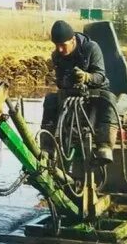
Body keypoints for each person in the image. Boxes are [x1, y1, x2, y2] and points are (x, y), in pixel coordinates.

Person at [41, 20, 117, 163]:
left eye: (63, 45)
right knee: (50, 100)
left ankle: (104, 146)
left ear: (73, 40)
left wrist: (87, 77)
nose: (60, 50)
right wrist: (65, 81)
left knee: (109, 99)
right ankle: (47, 147)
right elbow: (60, 82)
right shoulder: (57, 55)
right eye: (57, 46)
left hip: (95, 92)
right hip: (71, 94)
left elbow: (100, 76)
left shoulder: (91, 48)